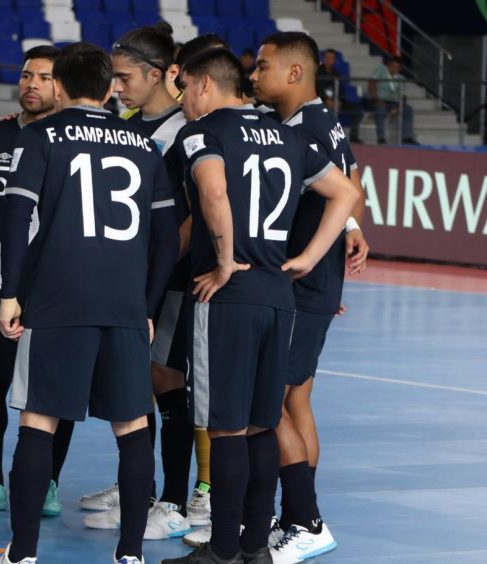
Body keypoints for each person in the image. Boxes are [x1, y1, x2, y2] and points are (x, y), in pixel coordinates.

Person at [161, 47, 359, 564]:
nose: (182, 102)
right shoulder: (288, 134)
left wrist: (224, 259)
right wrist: (312, 256)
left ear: (204, 85)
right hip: (278, 293)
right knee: (261, 423)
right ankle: (254, 548)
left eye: (185, 91)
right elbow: (345, 193)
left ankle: (223, 549)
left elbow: (212, 192)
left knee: (225, 426)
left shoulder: (202, 133)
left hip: (228, 296)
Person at [0, 42, 180, 564]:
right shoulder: (144, 146)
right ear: (109, 86)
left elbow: (16, 219)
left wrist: (10, 295)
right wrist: (148, 303)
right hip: (123, 304)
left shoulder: (41, 136)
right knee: (134, 427)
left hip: (56, 302)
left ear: (61, 86)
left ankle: (22, 553)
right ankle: (131, 554)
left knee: (38, 422)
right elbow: (166, 238)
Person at [249, 31, 369, 564]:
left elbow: (347, 191)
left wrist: (317, 257)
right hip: (313, 283)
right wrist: (350, 230)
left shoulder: (305, 128)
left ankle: (306, 520)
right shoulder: (322, 122)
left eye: (263, 68)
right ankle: (294, 515)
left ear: (294, 74)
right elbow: (353, 182)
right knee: (294, 401)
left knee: (269, 401)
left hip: (302, 285)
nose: (254, 77)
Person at [80, 25, 195, 542]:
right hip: (131, 281)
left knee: (166, 382)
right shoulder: (129, 124)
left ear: (158, 74)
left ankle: (171, 500)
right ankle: (141, 489)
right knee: (138, 384)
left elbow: (186, 219)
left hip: (167, 283)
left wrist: (158, 270)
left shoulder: (182, 133)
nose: (116, 85)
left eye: (124, 77)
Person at [0, 44, 74, 518]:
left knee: (56, 390)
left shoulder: (73, 140)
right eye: (27, 74)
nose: (31, 83)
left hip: (57, 288)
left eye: (44, 77)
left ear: (62, 85)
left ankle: (49, 482)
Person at [317, 48, 363, 143]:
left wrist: (340, 101)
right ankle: (327, 138)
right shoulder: (317, 72)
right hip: (321, 101)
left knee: (357, 110)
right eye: (327, 57)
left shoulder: (336, 74)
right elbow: (316, 89)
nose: (328, 60)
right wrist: (326, 99)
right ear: (323, 58)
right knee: (326, 109)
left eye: (331, 58)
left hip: (337, 101)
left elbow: (341, 90)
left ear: (335, 60)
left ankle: (353, 137)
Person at [369, 56, 417, 144]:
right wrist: (376, 99)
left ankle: (407, 137)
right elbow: (372, 83)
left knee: (408, 109)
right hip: (379, 100)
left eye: (397, 67)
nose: (394, 69)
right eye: (392, 66)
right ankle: (381, 138)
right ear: (388, 65)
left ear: (400, 68)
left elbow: (403, 96)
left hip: (393, 102)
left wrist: (399, 107)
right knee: (380, 109)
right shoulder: (381, 70)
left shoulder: (401, 78)